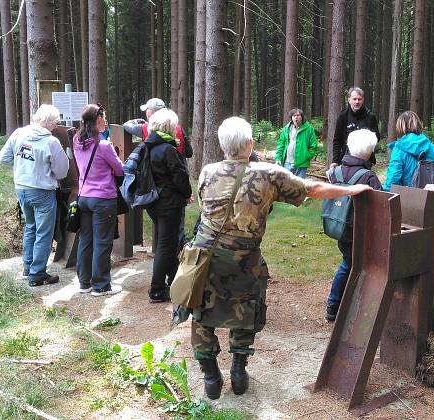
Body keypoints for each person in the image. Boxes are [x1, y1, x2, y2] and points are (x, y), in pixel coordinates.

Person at [174, 116, 371, 400]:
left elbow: (207, 207)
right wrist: (351, 189)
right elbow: (312, 190)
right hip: (245, 259)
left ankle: (210, 377)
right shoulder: (268, 174)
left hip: (205, 258)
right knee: (246, 310)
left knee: (202, 314)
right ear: (250, 144)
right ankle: (239, 372)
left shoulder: (206, 172)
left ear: (221, 146)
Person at [0, 104, 70, 286]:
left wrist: (23, 167)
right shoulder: (51, 142)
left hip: (21, 188)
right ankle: (37, 273)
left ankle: (28, 266)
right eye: (56, 123)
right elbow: (62, 171)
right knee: (43, 233)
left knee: (31, 227)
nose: (56, 127)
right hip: (42, 192)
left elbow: (4, 158)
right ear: (52, 123)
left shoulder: (18, 134)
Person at [325, 129, 382, 322]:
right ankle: (335, 305)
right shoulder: (368, 177)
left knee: (348, 263)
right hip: (359, 231)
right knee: (351, 265)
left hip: (341, 228)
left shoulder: (336, 171)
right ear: (369, 152)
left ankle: (339, 304)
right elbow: (380, 205)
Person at [73, 104, 124, 297]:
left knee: (86, 240)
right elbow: (120, 169)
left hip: (84, 197)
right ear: (99, 120)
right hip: (103, 198)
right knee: (102, 242)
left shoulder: (77, 140)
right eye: (104, 117)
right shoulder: (103, 145)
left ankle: (84, 283)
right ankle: (101, 285)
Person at [144, 107, 192, 304]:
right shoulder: (168, 149)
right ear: (168, 126)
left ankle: (172, 281)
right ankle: (156, 289)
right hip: (169, 203)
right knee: (166, 245)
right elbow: (180, 177)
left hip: (154, 202)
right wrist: (187, 194)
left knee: (169, 243)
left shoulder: (148, 146)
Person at [383, 110, 434, 192]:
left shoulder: (399, 149)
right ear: (418, 124)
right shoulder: (433, 148)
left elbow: (393, 177)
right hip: (429, 198)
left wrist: (387, 194)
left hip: (406, 198)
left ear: (400, 127)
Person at [123, 97, 192, 158]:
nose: (146, 112)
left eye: (147, 109)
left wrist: (138, 121)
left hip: (154, 170)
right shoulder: (178, 128)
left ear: (151, 113)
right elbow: (189, 153)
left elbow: (126, 125)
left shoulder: (146, 128)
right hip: (177, 169)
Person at [331, 87, 380, 167]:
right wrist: (335, 160)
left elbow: (377, 137)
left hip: (365, 160)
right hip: (346, 158)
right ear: (349, 99)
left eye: (359, 99)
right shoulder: (343, 116)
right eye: (354, 99)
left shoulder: (370, 116)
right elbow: (337, 140)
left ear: (363, 100)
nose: (357, 102)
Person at [275, 108, 317, 178]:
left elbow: (313, 146)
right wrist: (278, 158)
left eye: (298, 115)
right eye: (294, 116)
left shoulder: (309, 129)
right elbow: (281, 144)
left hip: (301, 164)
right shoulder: (286, 129)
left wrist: (307, 156)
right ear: (291, 118)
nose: (296, 117)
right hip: (287, 163)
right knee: (286, 186)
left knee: (299, 186)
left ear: (302, 117)